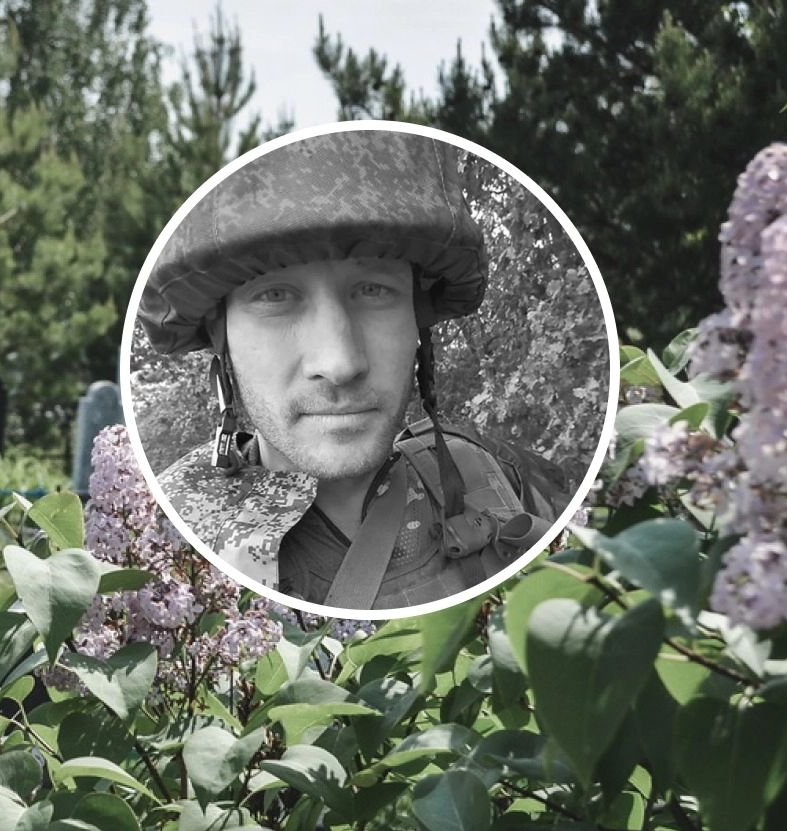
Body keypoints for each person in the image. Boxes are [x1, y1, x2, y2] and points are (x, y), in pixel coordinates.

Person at [138, 127, 581, 611]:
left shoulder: (502, 478)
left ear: (417, 322)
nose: (340, 363)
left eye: (373, 290)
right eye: (275, 296)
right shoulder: (160, 543)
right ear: (221, 335)